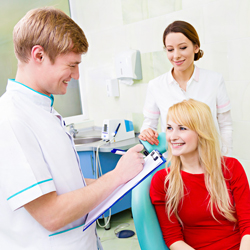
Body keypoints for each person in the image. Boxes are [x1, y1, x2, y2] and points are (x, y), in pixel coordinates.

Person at [0, 7, 145, 250]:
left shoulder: (43, 110)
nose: (76, 75)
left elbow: (66, 186)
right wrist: (116, 176)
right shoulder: (10, 119)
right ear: (39, 55)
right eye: (72, 65)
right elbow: (51, 214)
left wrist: (123, 179)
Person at [150, 99, 250, 250]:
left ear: (201, 133)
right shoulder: (163, 181)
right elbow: (173, 239)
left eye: (182, 128)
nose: (172, 136)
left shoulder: (231, 168)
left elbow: (247, 224)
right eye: (169, 128)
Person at [139, 20, 233, 155]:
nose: (176, 55)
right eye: (170, 49)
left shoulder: (214, 80)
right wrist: (147, 132)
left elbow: (226, 126)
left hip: (210, 161)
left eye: (183, 47)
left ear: (196, 47)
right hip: (174, 164)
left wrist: (226, 160)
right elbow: (148, 125)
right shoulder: (156, 85)